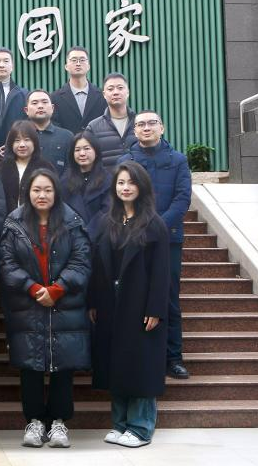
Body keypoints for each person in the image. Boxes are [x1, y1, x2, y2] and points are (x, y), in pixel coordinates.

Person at [0, 169, 91, 449]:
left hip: (64, 305)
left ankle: (59, 422)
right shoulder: (14, 223)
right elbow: (6, 264)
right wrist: (33, 288)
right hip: (28, 305)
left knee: (63, 366)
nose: (42, 195)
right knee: (31, 367)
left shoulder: (72, 221)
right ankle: (35, 421)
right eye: (37, 190)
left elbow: (82, 261)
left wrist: (58, 289)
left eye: (48, 190)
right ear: (27, 192)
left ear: (56, 192)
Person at [89, 161, 171, 449]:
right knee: (118, 365)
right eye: (121, 182)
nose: (126, 188)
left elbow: (162, 272)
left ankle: (140, 427)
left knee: (140, 366)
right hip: (112, 305)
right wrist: (94, 301)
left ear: (142, 186)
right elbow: (98, 266)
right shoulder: (107, 221)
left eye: (131, 182)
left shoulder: (154, 224)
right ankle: (120, 424)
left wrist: (155, 308)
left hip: (140, 305)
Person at [118, 109, 192, 380]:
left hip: (168, 239)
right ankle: (141, 354)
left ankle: (173, 357)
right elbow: (120, 197)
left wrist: (156, 228)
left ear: (162, 127)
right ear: (134, 130)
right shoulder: (125, 161)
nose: (146, 128)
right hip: (132, 240)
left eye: (152, 123)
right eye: (140, 124)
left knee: (168, 297)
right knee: (135, 296)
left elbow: (182, 198)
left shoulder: (178, 160)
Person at [0, 120, 57, 213]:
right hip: (6, 219)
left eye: (27, 140)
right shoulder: (1, 168)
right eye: (17, 140)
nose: (22, 145)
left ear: (34, 142)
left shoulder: (46, 167)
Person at [62, 132, 112, 239]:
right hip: (73, 237)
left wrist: (90, 232)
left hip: (101, 236)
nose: (82, 153)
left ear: (96, 151)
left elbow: (108, 210)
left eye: (87, 148)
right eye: (77, 150)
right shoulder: (64, 180)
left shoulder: (108, 179)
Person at [85, 72, 138, 171]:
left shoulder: (140, 123)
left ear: (128, 92)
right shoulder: (93, 127)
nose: (115, 92)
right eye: (110, 89)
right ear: (104, 94)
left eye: (120, 88)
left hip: (137, 179)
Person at [49, 46, 104, 134]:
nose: (78, 64)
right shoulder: (55, 98)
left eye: (82, 60)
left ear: (88, 66)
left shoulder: (102, 96)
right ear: (66, 66)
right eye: (74, 60)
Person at [23, 89, 74, 172]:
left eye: (44, 102)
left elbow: (71, 168)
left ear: (52, 108)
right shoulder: (18, 135)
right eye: (35, 103)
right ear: (26, 110)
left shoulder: (67, 136)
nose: (40, 106)